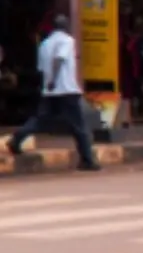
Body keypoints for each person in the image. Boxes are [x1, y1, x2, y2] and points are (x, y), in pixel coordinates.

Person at [7, 14, 99, 170]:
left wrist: (48, 83)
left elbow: (41, 69)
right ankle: (87, 160)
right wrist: (54, 80)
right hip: (66, 90)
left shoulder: (45, 44)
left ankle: (17, 139)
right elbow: (59, 59)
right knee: (79, 126)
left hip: (49, 92)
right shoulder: (68, 41)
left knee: (40, 120)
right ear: (66, 26)